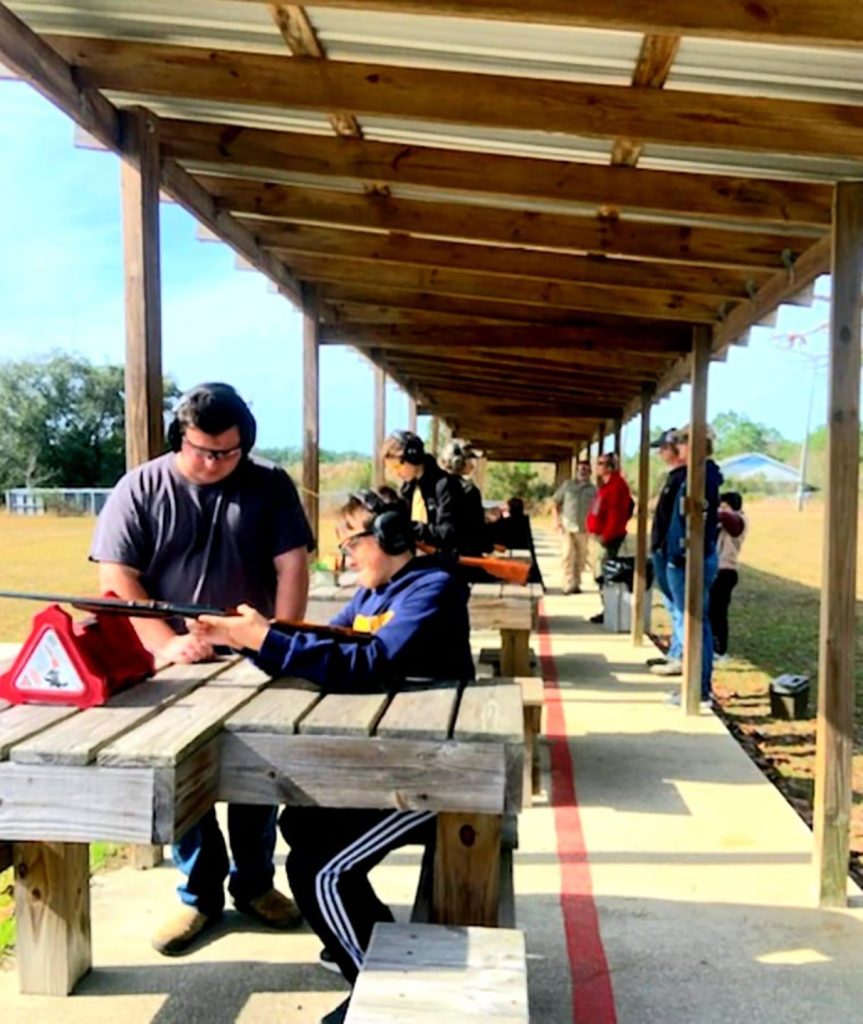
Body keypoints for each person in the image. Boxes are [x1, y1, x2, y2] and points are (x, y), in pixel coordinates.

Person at [189, 489, 474, 1024]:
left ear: (390, 535)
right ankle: (370, 946)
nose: (346, 558)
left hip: (442, 776)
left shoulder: (433, 589)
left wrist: (266, 640)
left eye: (351, 544)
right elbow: (320, 648)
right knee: (304, 825)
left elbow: (372, 662)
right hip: (397, 762)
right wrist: (248, 637)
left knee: (320, 873)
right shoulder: (372, 594)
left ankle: (387, 996)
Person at [90, 382, 315, 955]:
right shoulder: (139, 488)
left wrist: (280, 639)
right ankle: (198, 894)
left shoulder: (269, 485)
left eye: (227, 453)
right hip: (172, 661)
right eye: (201, 451)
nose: (214, 463)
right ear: (179, 439)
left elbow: (291, 567)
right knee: (179, 772)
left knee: (257, 774)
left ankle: (257, 884)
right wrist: (164, 643)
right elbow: (117, 579)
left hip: (252, 653)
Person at [663, 426, 723, 705]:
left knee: (695, 623)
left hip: (691, 559)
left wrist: (679, 554)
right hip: (687, 556)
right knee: (696, 621)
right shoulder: (697, 475)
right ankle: (697, 686)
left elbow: (696, 519)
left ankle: (698, 689)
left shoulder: (702, 477)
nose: (679, 448)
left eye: (683, 442)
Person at [381, 429, 470, 555]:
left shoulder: (444, 486)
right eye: (391, 468)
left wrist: (409, 528)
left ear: (413, 457)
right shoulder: (408, 489)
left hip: (445, 562)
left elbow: (447, 533)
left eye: (397, 466)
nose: (396, 472)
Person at [647, 429, 687, 676]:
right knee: (671, 605)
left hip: (670, 551)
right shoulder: (674, 477)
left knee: (678, 607)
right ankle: (674, 652)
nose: (661, 453)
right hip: (663, 549)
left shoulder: (684, 477)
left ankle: (680, 655)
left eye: (664, 448)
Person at [586, 452, 633, 624]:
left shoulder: (616, 487)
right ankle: (607, 607)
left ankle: (609, 609)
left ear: (610, 466)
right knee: (600, 573)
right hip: (599, 535)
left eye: (601, 463)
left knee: (605, 574)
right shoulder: (607, 486)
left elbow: (616, 514)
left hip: (607, 537)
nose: (597, 466)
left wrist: (607, 536)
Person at [439, 438, 491, 555]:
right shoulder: (469, 490)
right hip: (464, 558)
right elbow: (478, 532)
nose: (472, 464)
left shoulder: (435, 485)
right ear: (458, 461)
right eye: (469, 459)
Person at [710, 491, 747, 659]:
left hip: (726, 571)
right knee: (712, 611)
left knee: (718, 612)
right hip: (716, 570)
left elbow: (730, 521)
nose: (721, 509)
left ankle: (720, 650)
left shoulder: (739, 520)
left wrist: (713, 510)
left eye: (724, 506)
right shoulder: (724, 520)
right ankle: (712, 646)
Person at [552, 460, 596, 595]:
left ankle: (577, 583)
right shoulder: (568, 486)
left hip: (584, 528)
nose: (582, 472)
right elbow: (555, 502)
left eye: (585, 469)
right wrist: (556, 520)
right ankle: (568, 583)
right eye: (580, 469)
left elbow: (598, 508)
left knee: (581, 558)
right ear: (576, 471)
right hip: (567, 527)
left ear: (590, 472)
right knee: (568, 555)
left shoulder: (594, 490)